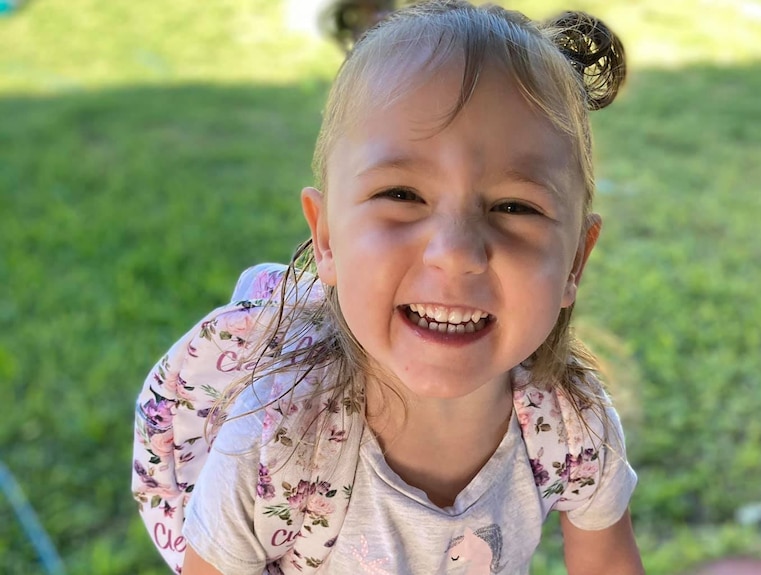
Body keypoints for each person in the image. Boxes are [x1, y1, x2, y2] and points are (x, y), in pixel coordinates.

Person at [132, 1, 643, 573]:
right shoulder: (273, 439)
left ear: (576, 260)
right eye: (402, 195)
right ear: (326, 239)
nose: (455, 253)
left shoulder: (570, 423)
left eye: (514, 206)